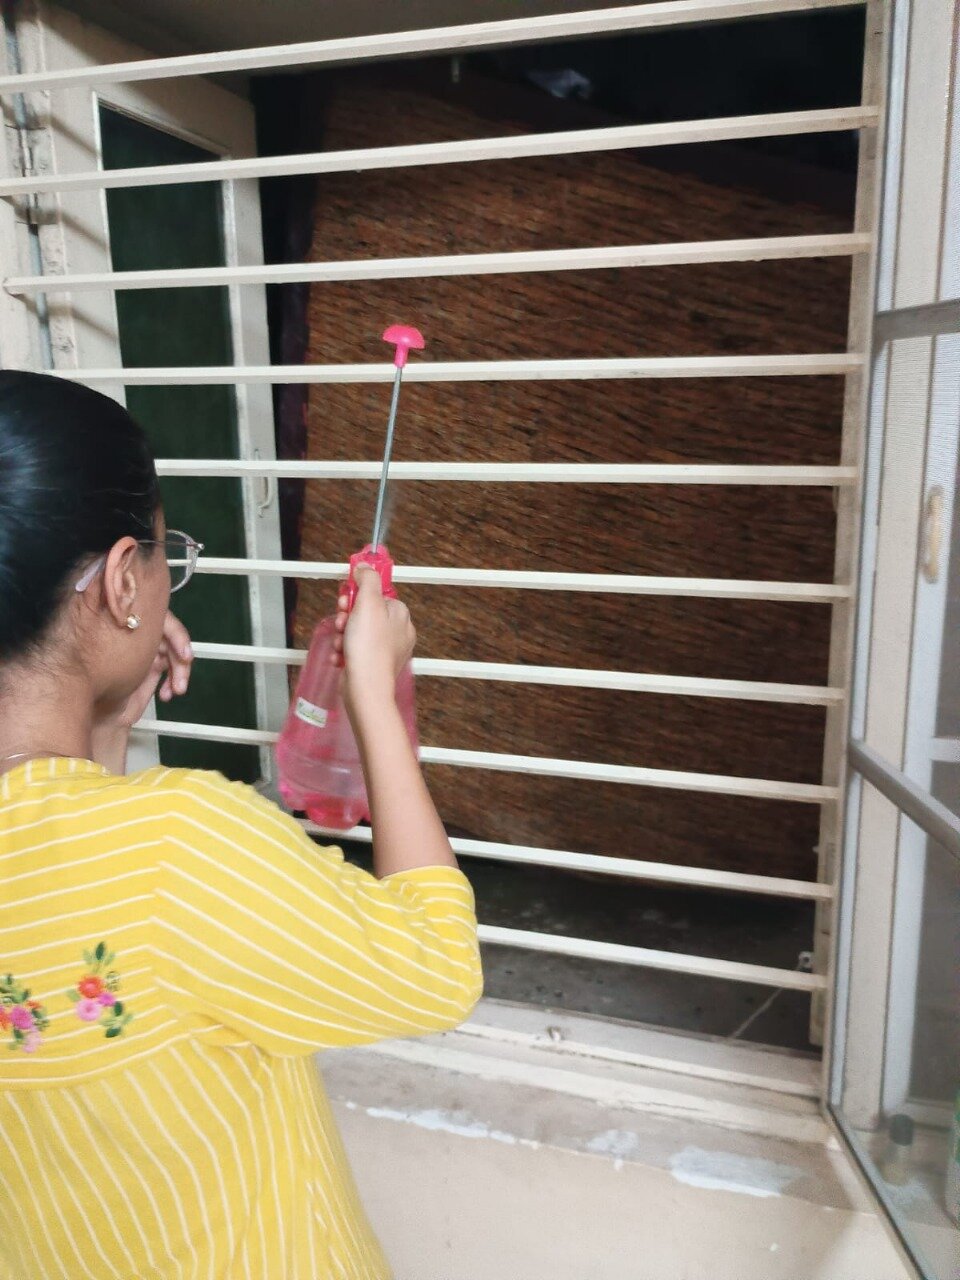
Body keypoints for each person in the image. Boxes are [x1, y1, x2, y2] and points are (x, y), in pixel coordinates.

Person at [0, 370, 482, 1279]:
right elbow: (436, 969)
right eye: (159, 553)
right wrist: (373, 694)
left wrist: (102, 732)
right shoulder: (176, 844)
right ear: (118, 581)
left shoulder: (130, 849)